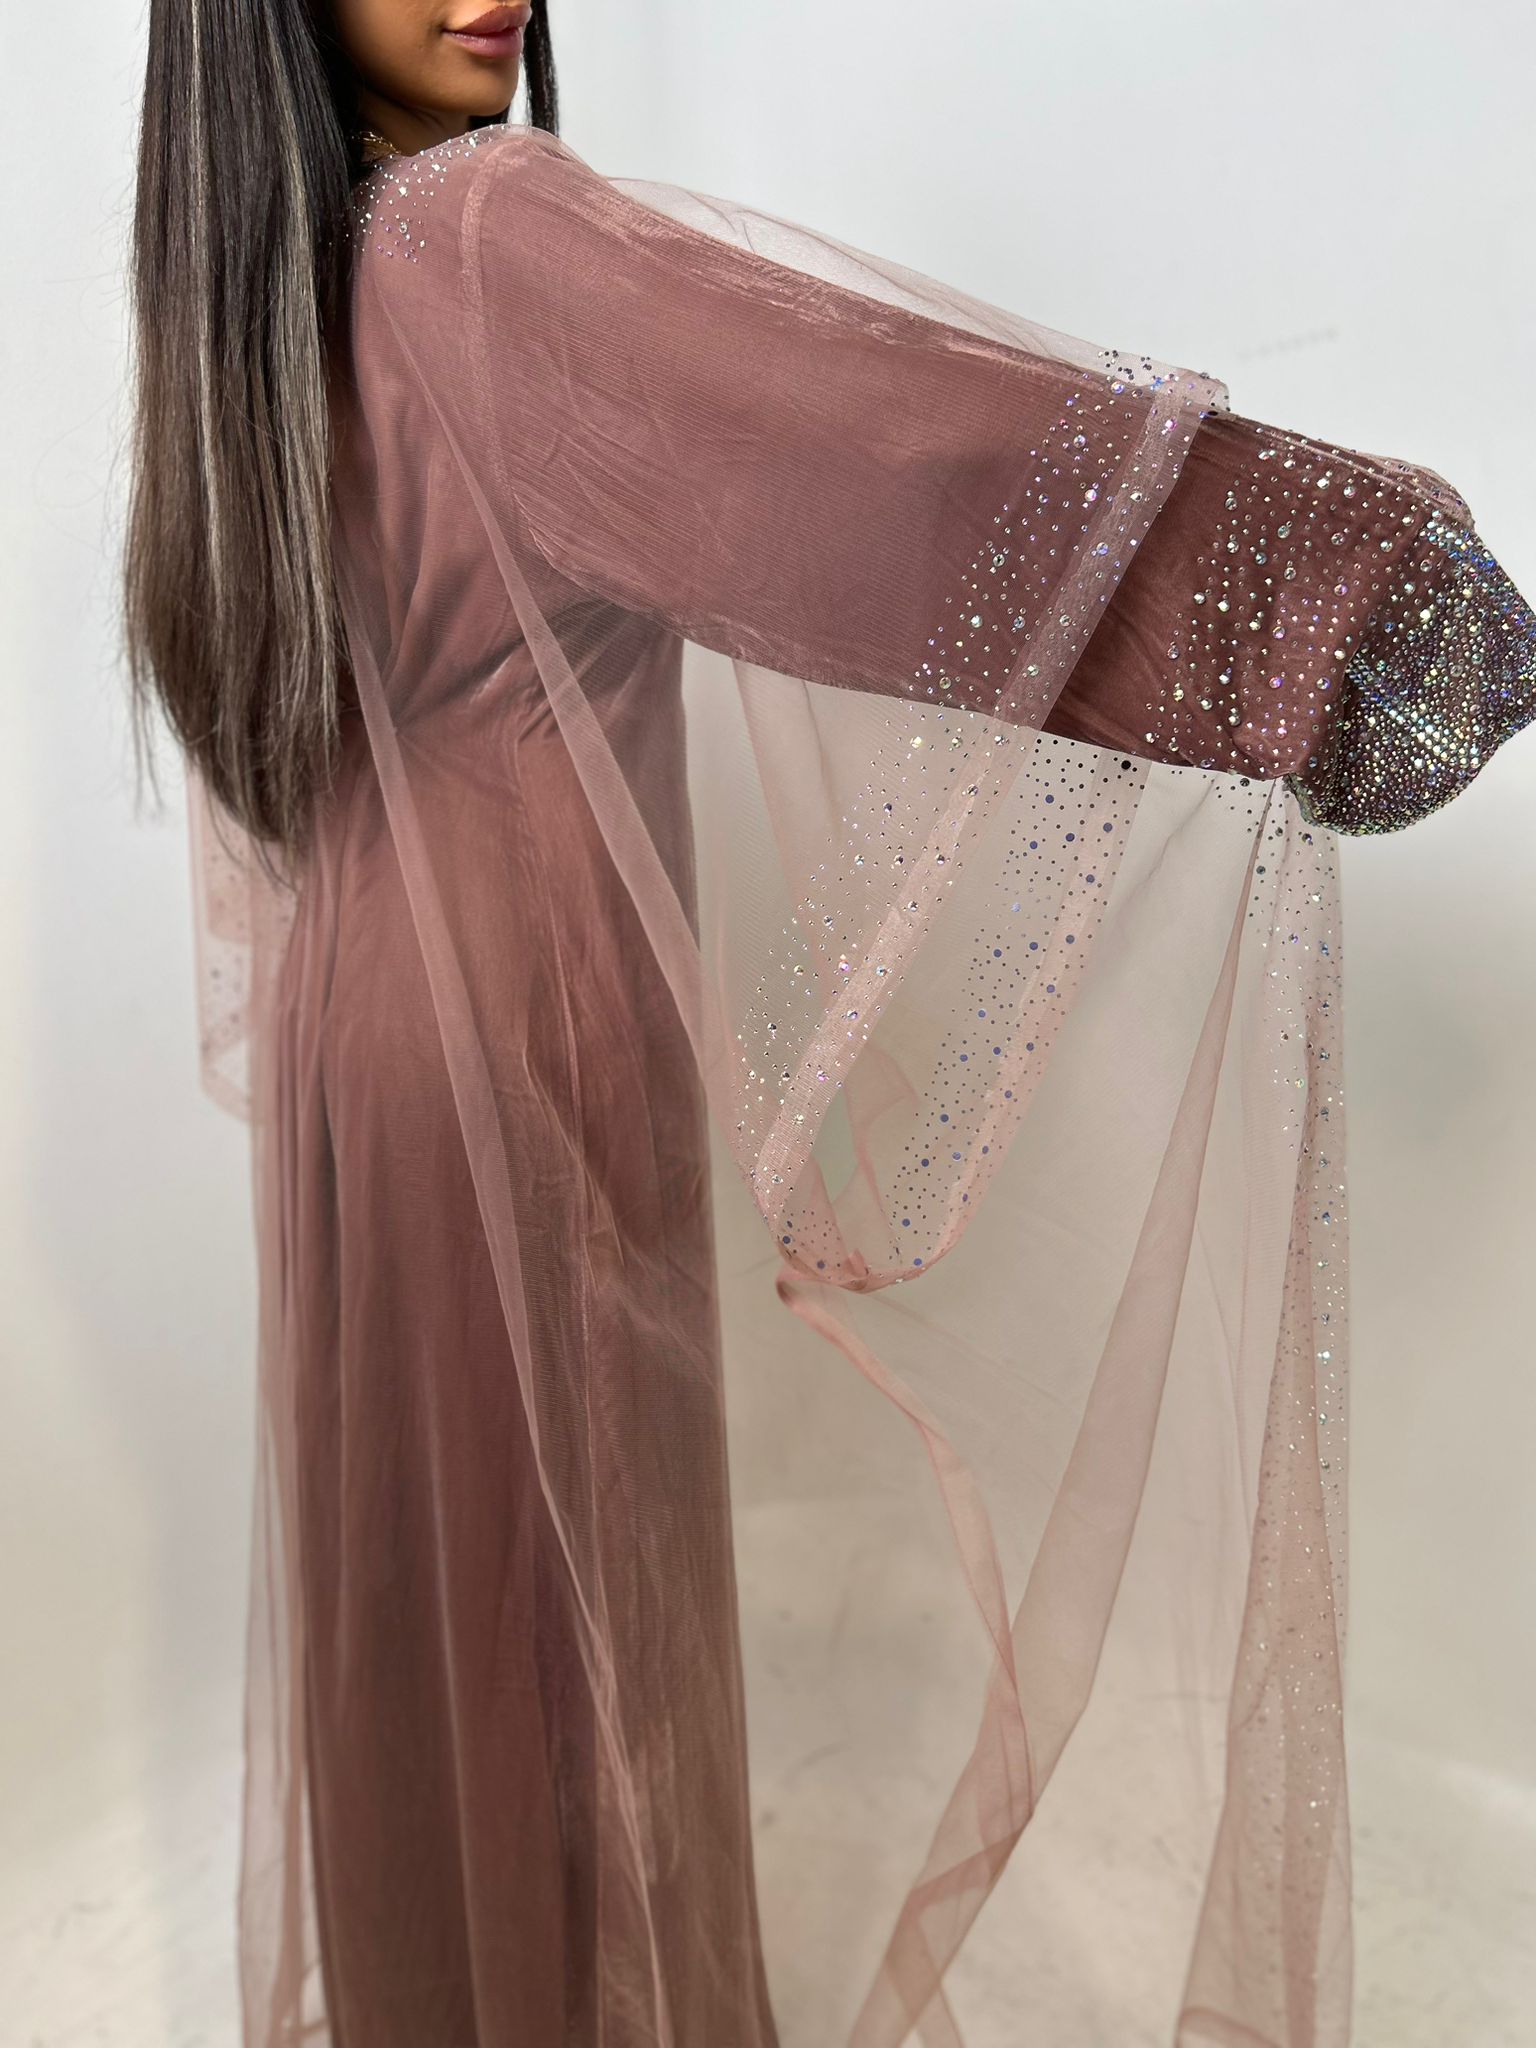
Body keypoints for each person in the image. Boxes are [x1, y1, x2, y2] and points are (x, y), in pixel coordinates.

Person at [120, 4, 1535, 2045]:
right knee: (555, 1617)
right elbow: (877, 459)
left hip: (360, 1017)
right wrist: (1316, 586)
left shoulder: (265, 296)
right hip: (518, 1012)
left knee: (437, 1610)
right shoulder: (471, 238)